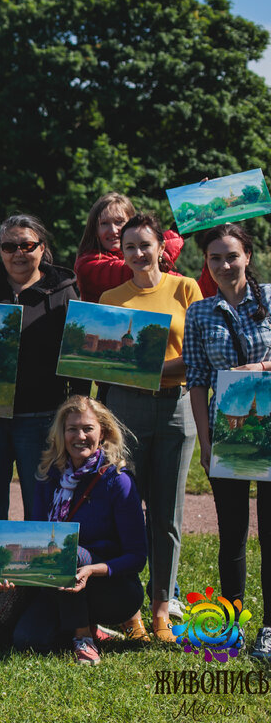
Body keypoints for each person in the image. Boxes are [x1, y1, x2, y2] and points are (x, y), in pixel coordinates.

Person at [0, 214, 89, 625]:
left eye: (27, 245)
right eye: (10, 246)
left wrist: (78, 408)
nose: (19, 253)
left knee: (42, 511)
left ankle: (38, 598)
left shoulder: (64, 289)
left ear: (42, 248)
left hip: (41, 417)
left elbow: (78, 356)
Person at [99, 214, 201, 642]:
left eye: (145, 245)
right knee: (123, 509)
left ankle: (162, 608)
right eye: (129, 247)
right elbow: (102, 361)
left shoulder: (185, 288)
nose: (138, 254)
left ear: (162, 247)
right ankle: (128, 611)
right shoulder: (110, 296)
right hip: (125, 412)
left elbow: (198, 353)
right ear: (120, 253)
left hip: (177, 408)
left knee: (167, 513)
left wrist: (151, 369)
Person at [0, 396, 146, 665]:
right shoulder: (48, 476)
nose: (80, 436)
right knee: (28, 640)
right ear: (61, 434)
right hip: (59, 583)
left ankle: (83, 638)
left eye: (88, 428)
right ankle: (88, 627)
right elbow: (39, 541)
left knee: (69, 554)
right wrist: (14, 571)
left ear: (103, 433)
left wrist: (91, 569)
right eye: (72, 429)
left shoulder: (118, 481)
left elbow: (137, 557)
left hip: (113, 589)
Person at [183, 223, 271, 661]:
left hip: (270, 431)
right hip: (228, 433)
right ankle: (232, 626)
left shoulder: (270, 298)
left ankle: (270, 628)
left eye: (231, 256)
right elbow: (197, 382)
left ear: (247, 256)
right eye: (214, 258)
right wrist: (205, 440)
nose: (223, 265)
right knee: (232, 533)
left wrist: (263, 367)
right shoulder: (200, 312)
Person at [74, 192, 184, 304]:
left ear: (132, 226)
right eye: (104, 223)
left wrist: (201, 196)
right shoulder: (87, 265)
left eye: (119, 222)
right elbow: (136, 271)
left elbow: (182, 285)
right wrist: (177, 232)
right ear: (95, 229)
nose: (113, 230)